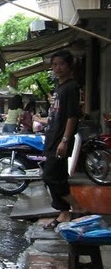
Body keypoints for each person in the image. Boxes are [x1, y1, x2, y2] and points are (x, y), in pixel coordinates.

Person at [38, 50, 86, 229]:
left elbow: (72, 116)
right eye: (54, 64)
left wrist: (65, 140)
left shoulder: (71, 87)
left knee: (50, 176)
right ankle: (64, 213)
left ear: (69, 66)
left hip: (60, 139)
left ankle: (77, 207)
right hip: (52, 138)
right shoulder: (59, 88)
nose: (57, 68)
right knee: (57, 177)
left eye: (61, 64)